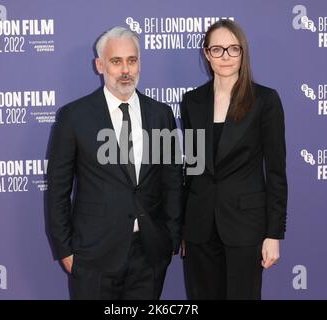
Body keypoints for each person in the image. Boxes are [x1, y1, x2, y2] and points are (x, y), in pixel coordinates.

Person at [46, 26, 182, 300]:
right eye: (116, 61)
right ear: (100, 65)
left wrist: (170, 238)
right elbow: (58, 190)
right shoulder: (74, 117)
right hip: (93, 255)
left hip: (149, 254)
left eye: (131, 60)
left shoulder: (161, 114)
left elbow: (172, 181)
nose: (125, 70)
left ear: (139, 63)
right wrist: (66, 249)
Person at [180, 19, 288, 300]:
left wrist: (274, 234)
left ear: (243, 53)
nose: (225, 57)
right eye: (217, 49)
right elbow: (192, 166)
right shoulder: (192, 101)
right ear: (206, 53)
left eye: (233, 49)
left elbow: (276, 172)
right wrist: (183, 227)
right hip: (199, 226)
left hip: (245, 227)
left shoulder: (265, 100)